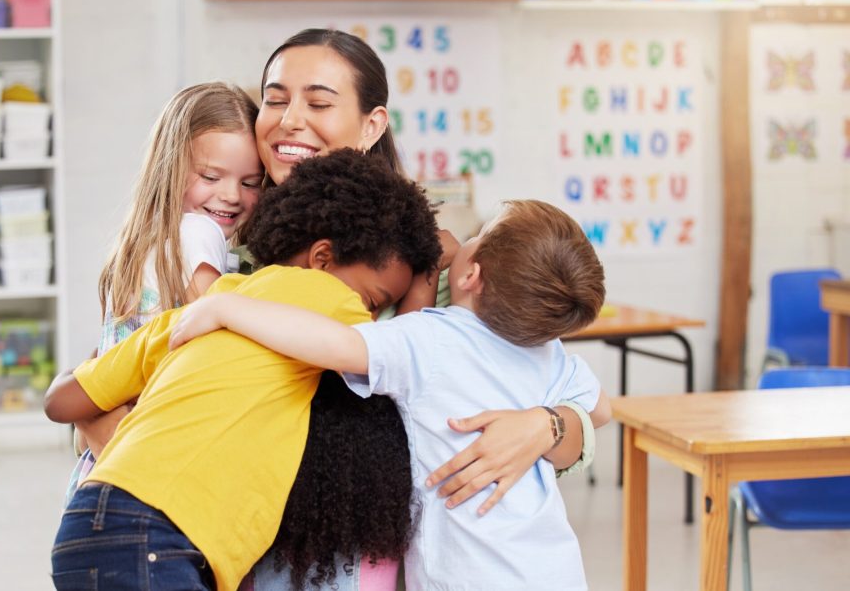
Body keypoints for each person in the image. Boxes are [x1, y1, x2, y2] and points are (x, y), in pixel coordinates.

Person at [45, 150, 442, 591]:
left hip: (88, 522)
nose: (371, 315)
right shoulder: (328, 299)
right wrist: (427, 277)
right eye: (373, 300)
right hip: (158, 535)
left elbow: (61, 401)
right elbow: (392, 353)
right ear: (323, 258)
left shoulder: (197, 313)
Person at [170, 199, 612, 590]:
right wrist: (544, 418)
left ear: (473, 274)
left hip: (467, 576)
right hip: (556, 569)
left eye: (476, 237)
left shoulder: (431, 339)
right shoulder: (546, 349)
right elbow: (601, 408)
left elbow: (336, 342)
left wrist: (226, 307)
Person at [65, 82, 263, 500]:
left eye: (251, 182)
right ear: (171, 167)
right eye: (211, 176)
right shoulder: (197, 232)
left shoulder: (144, 244)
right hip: (151, 473)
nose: (231, 195)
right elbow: (223, 333)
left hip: (101, 475)